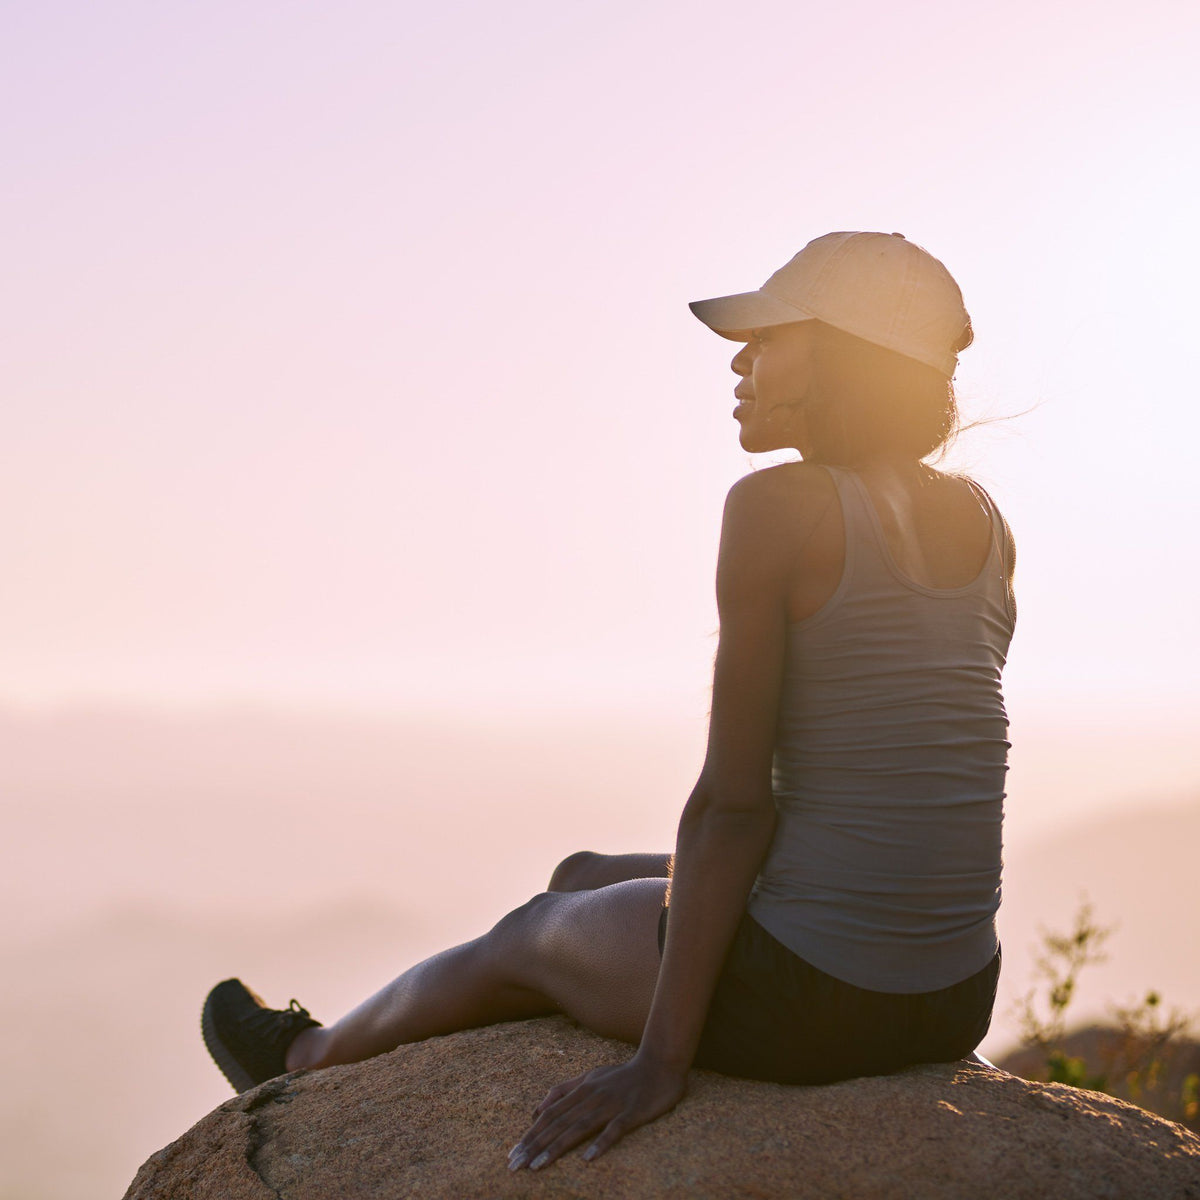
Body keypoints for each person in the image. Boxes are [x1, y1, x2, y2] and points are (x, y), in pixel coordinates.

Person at [202, 230, 1016, 1174]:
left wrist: (660, 1060)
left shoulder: (778, 509)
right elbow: (906, 774)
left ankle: (302, 1057)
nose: (740, 361)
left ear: (843, 357)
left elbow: (735, 805)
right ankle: (571, 920)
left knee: (530, 933)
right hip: (955, 996)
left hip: (814, 1000)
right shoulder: (986, 524)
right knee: (582, 872)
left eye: (769, 337)